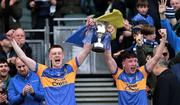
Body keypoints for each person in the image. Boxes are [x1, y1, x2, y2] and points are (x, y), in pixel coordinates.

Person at [7, 18, 94, 105]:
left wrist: (90, 29)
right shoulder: (43, 71)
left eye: (59, 53)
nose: (57, 55)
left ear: (63, 56)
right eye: (54, 53)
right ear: (49, 57)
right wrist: (12, 41)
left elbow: (86, 50)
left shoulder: (70, 67)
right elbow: (23, 57)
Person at [103, 23, 166, 104]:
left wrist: (163, 38)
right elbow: (108, 58)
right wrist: (107, 37)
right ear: (123, 64)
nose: (134, 64)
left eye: (135, 61)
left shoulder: (143, 72)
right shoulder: (118, 75)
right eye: (130, 61)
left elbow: (157, 57)